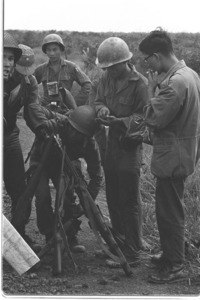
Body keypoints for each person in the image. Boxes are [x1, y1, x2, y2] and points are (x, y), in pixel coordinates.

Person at [139, 29, 200, 283]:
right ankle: (170, 254)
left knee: (170, 211)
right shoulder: (189, 75)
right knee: (169, 207)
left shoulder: (174, 84)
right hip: (182, 152)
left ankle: (175, 266)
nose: (147, 65)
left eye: (146, 60)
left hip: (173, 156)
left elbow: (153, 118)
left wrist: (151, 89)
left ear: (156, 56)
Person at [94, 37, 148, 267]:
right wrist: (102, 109)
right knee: (113, 196)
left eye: (112, 66)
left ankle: (133, 251)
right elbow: (96, 101)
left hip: (129, 146)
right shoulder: (106, 78)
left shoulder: (140, 84)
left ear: (125, 61)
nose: (109, 71)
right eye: (106, 67)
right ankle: (118, 243)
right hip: (110, 145)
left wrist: (121, 121)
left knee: (129, 199)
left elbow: (144, 118)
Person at [3, 32, 54, 251]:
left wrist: (43, 128)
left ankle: (17, 233)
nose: (6, 64)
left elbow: (32, 108)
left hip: (9, 136)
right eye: (2, 58)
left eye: (10, 59)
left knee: (19, 190)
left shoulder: (26, 81)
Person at [30, 105, 103, 253]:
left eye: (80, 133)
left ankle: (69, 235)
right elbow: (35, 108)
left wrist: (86, 205)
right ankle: (49, 234)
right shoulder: (61, 122)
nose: (75, 135)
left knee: (68, 199)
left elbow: (97, 176)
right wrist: (45, 122)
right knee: (42, 197)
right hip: (41, 161)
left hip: (63, 165)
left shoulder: (89, 144)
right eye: (74, 130)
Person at [34, 33, 91, 110]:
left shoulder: (71, 67)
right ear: (45, 51)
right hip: (46, 110)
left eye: (55, 49)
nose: (51, 53)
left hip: (65, 109)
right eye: (48, 50)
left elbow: (88, 85)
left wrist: (75, 104)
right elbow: (29, 84)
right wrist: (36, 101)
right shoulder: (40, 69)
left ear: (61, 49)